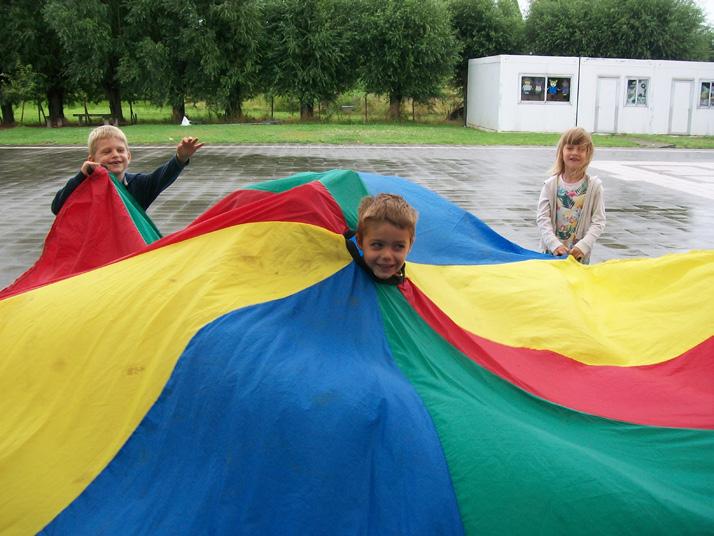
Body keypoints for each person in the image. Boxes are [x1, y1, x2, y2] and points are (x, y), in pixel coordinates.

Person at [51, 125, 203, 215]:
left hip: (128, 258)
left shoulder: (139, 185)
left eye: (120, 150)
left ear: (128, 156)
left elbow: (162, 177)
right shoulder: (84, 187)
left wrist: (180, 158)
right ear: (91, 159)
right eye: (106, 152)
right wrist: (81, 177)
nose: (115, 155)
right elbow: (57, 207)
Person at [536, 127, 605, 264]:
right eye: (570, 148)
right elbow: (543, 218)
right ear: (562, 151)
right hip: (551, 255)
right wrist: (554, 245)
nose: (575, 153)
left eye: (580, 149)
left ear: (588, 153)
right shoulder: (550, 185)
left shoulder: (594, 187)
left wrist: (583, 246)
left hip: (579, 258)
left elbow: (598, 222)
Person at [353, 193, 418, 282]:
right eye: (377, 245)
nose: (387, 256)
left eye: (399, 246)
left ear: (410, 245)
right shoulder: (341, 274)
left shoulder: (408, 290)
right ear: (360, 241)